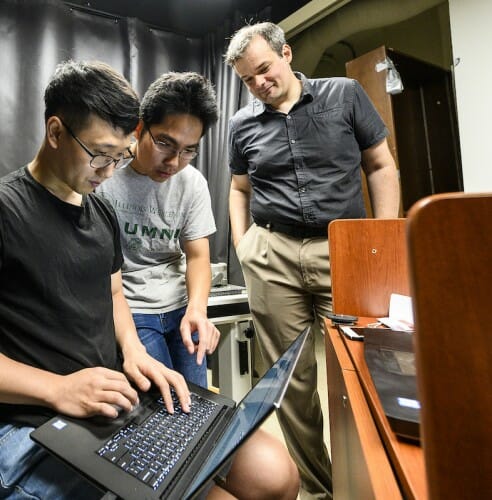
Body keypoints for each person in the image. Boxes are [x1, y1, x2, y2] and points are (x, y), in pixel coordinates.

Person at [0, 60, 299, 499]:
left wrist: (134, 351)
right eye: (100, 155)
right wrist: (59, 389)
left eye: (119, 158)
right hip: (37, 418)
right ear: (57, 132)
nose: (107, 171)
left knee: (277, 475)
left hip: (114, 397)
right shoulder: (8, 211)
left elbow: (115, 291)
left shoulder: (99, 210)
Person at [225, 22, 400, 499]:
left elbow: (381, 165)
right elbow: (239, 190)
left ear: (285, 53)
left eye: (264, 69)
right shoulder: (242, 125)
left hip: (343, 246)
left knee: (364, 370)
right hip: (272, 253)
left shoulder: (344, 95)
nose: (259, 83)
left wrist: (383, 241)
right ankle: (320, 491)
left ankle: (378, 486)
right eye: (247, 79)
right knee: (290, 382)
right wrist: (244, 245)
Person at [97, 72, 219, 389]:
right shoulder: (105, 178)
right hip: (133, 310)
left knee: (198, 396)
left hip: (180, 306)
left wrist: (197, 309)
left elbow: (197, 257)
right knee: (163, 399)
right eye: (165, 143)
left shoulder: (192, 184)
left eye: (189, 150)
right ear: (139, 128)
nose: (174, 162)